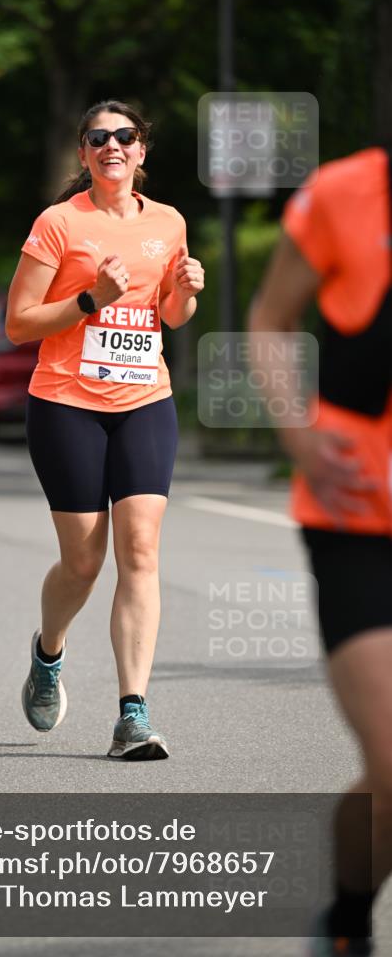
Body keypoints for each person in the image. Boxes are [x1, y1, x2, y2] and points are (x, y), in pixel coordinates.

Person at [6, 99, 204, 760]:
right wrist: (91, 298)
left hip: (145, 398)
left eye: (124, 136)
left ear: (141, 151)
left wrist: (184, 289)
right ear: (84, 154)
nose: (111, 145)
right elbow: (19, 323)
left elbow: (171, 318)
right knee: (84, 561)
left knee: (141, 551)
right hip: (66, 402)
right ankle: (48, 653)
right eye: (98, 137)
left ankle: (132, 715)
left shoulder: (169, 221)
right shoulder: (59, 223)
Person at [249, 146, 391, 956]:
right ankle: (345, 919)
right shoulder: (345, 192)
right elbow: (270, 318)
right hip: (358, 517)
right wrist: (296, 434)